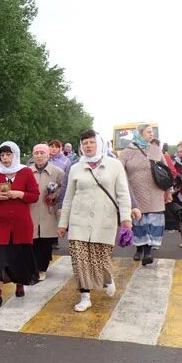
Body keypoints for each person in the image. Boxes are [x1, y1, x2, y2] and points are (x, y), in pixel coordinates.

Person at [58, 130, 133, 312]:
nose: (88, 146)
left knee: (101, 259)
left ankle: (107, 278)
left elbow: (123, 193)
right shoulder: (76, 167)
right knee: (80, 260)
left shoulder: (114, 165)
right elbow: (68, 197)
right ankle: (85, 296)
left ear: (99, 143)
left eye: (91, 142)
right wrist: (63, 223)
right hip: (78, 220)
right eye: (85, 143)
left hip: (105, 220)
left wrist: (126, 218)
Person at [0, 141, 40, 306]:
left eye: (8, 155)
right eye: (2, 155)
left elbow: (35, 195)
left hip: (20, 223)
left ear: (15, 155)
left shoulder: (25, 172)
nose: (5, 158)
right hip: (0, 223)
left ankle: (20, 284)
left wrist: (20, 194)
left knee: (19, 255)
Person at [119, 124, 173, 265]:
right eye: (148, 132)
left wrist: (169, 191)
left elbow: (166, 172)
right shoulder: (127, 152)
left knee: (153, 223)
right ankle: (139, 249)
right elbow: (119, 171)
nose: (151, 135)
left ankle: (148, 253)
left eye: (152, 132)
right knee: (138, 222)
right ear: (139, 133)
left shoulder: (155, 150)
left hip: (155, 192)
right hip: (135, 192)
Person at [29, 144, 64, 280]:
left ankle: (42, 269)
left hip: (48, 211)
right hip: (31, 210)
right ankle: (32, 268)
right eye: (36, 153)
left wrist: (55, 195)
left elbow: (64, 189)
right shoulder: (27, 171)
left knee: (45, 242)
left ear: (48, 155)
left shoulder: (57, 172)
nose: (38, 156)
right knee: (31, 241)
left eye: (41, 153)